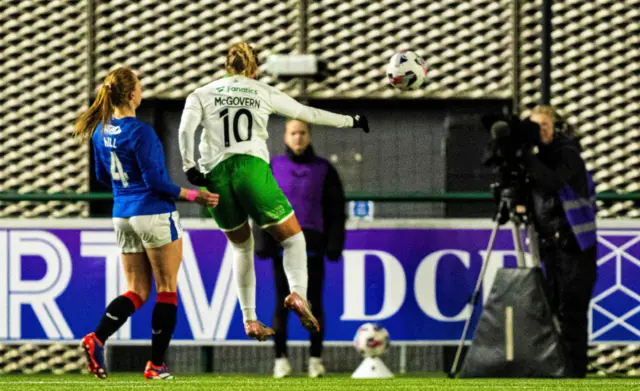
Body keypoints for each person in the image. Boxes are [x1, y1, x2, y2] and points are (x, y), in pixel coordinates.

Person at [178, 42, 368, 342]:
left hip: (213, 176)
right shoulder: (261, 91)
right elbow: (308, 113)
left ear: (226, 67)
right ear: (253, 70)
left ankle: (250, 319)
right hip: (250, 169)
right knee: (293, 239)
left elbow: (186, 130)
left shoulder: (201, 93)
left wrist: (189, 166)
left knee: (241, 247)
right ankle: (298, 294)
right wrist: (351, 120)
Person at [74, 67, 219, 380]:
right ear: (130, 95)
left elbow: (102, 176)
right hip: (152, 212)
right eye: (139, 87)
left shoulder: (101, 131)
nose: (142, 91)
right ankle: (155, 365)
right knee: (166, 289)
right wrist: (195, 196)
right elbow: (156, 182)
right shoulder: (141, 132)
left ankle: (96, 337)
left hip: (122, 214)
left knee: (136, 290)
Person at [253, 120, 346, 378]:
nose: (298, 138)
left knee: (313, 304)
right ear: (286, 136)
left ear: (309, 136)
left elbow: (336, 210)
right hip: (280, 244)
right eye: (293, 133)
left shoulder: (324, 169)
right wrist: (261, 242)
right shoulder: (272, 167)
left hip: (313, 247)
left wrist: (334, 243)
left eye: (302, 133)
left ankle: (315, 360)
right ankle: (280, 360)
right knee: (281, 304)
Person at [524, 105, 597, 378]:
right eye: (535, 126)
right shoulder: (535, 158)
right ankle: (555, 369)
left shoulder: (568, 154)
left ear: (556, 128)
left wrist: (525, 157)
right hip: (549, 243)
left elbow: (552, 181)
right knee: (550, 306)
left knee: (572, 310)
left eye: (545, 125)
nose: (540, 131)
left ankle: (574, 374)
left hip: (576, 243)